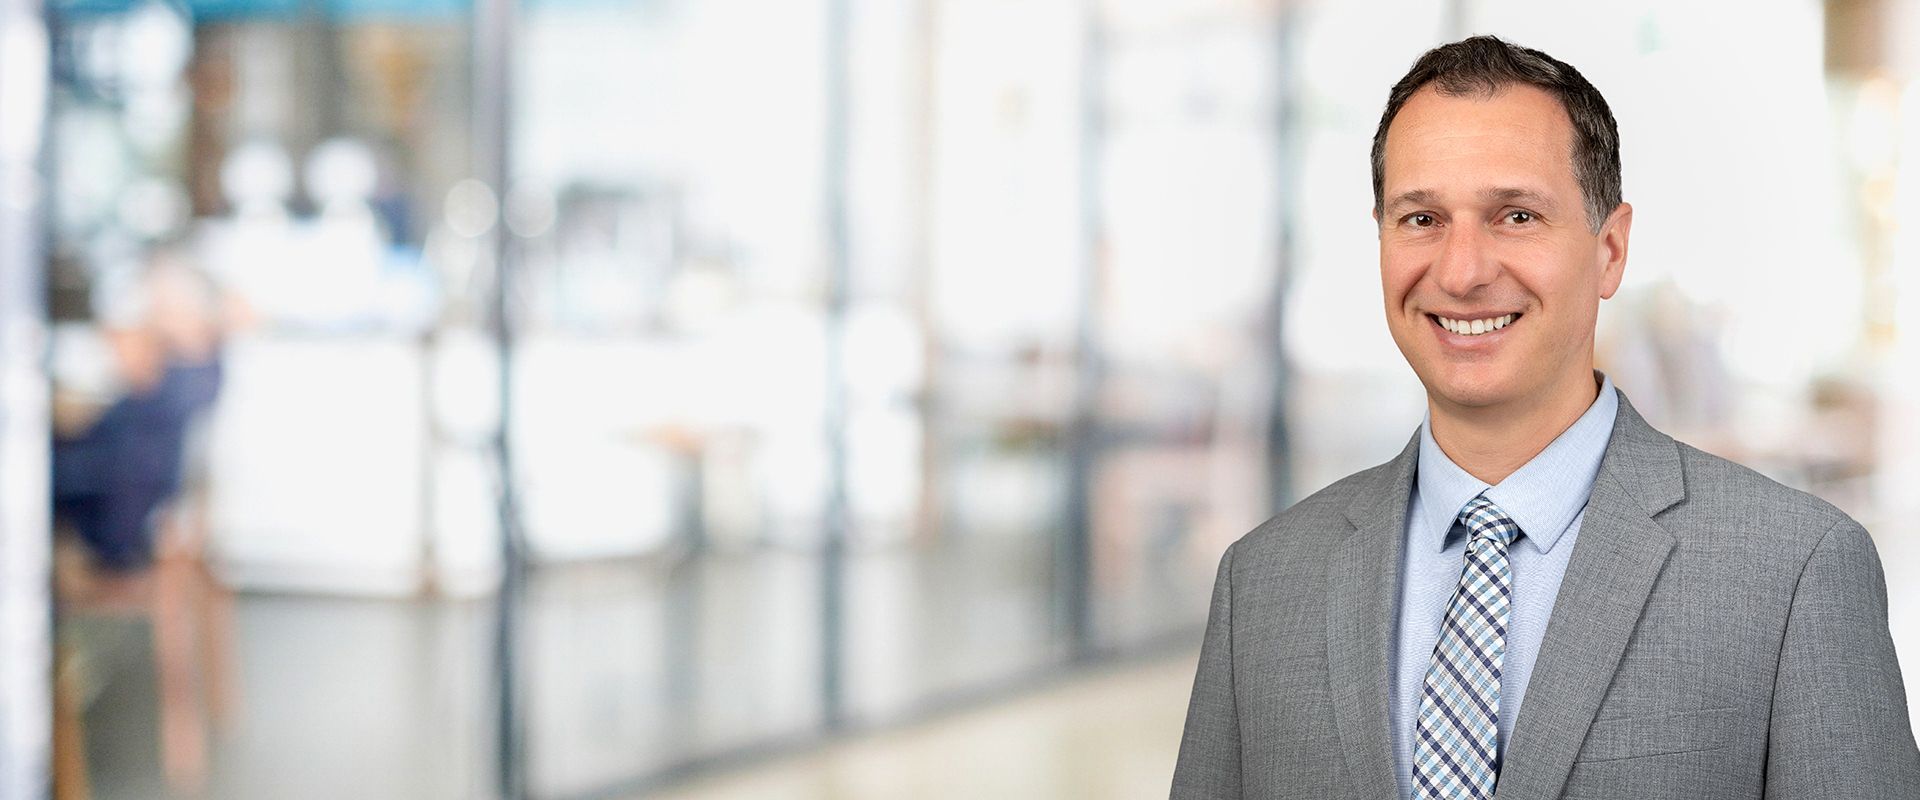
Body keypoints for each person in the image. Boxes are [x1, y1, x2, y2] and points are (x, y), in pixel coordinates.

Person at [1171, 36, 1920, 799]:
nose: (1462, 272)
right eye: (1422, 218)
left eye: (1517, 215)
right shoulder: (1262, 583)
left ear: (1610, 250)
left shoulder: (1794, 572)